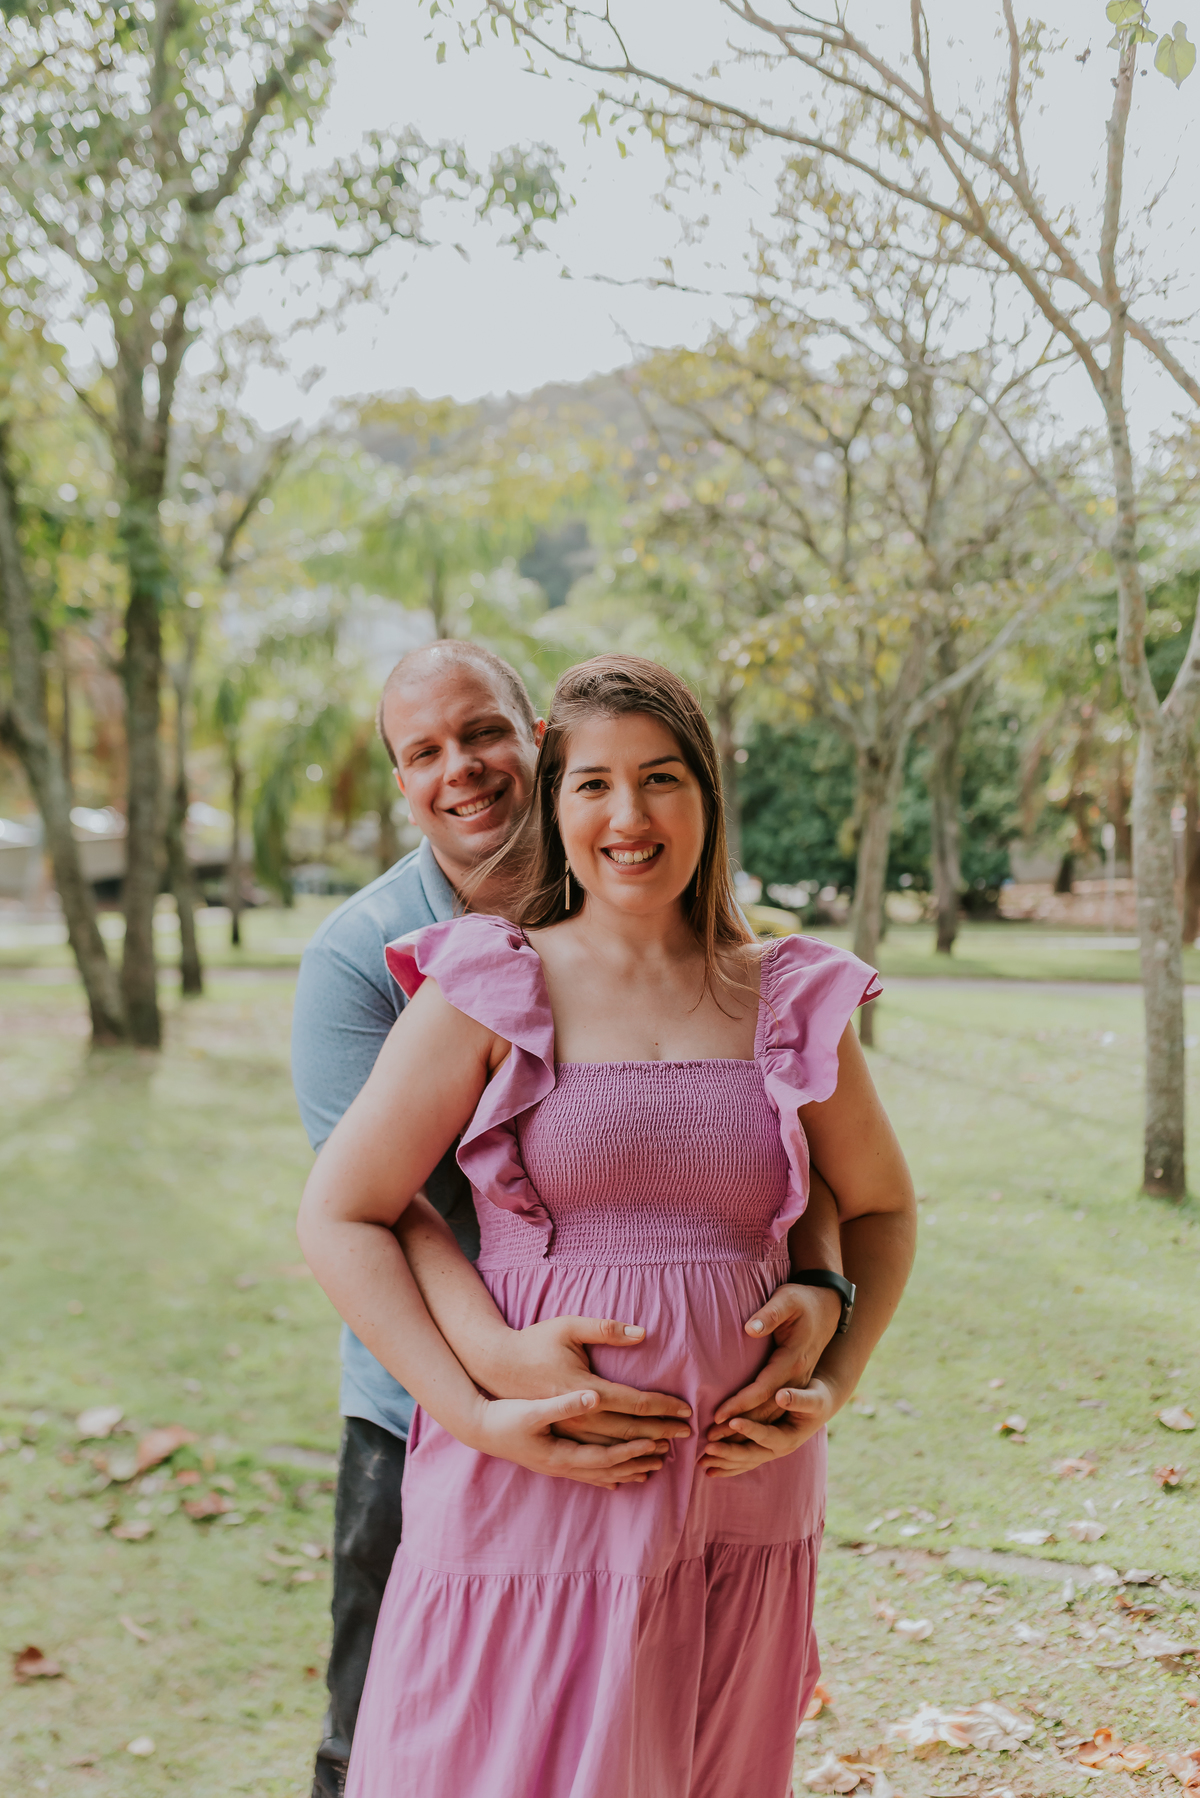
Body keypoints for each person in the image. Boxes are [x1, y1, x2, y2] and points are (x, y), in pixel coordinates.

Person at [298, 653, 917, 1798]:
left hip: (743, 1496)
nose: (628, 816)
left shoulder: (788, 994)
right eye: (592, 785)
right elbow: (344, 1209)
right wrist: (482, 1411)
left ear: (707, 797)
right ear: (555, 801)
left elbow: (877, 1204)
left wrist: (837, 1375)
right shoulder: (488, 980)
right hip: (537, 1489)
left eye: (662, 779)